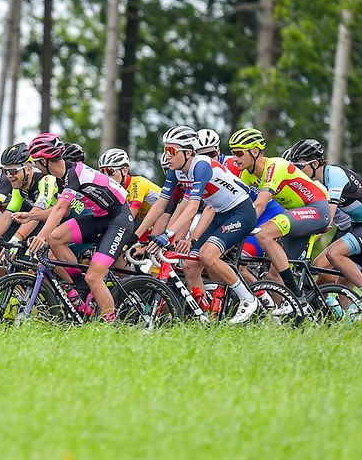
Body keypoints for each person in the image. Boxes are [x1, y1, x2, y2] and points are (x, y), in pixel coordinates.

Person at [145, 125, 260, 323]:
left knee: (207, 255)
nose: (167, 156)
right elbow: (161, 207)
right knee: (190, 264)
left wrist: (169, 234)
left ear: (188, 152)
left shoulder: (201, 166)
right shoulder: (176, 171)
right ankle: (204, 317)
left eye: (171, 150)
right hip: (221, 213)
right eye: (165, 150)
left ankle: (247, 299)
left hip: (242, 212)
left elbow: (192, 207)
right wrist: (136, 236)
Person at [27, 132, 135, 321]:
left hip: (119, 220)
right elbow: (64, 210)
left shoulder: (73, 173)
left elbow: (60, 209)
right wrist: (31, 216)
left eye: (36, 162)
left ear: (45, 160)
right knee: (55, 238)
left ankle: (113, 327)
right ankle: (81, 287)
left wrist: (40, 236)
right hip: (100, 218)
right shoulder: (61, 177)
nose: (36, 166)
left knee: (94, 276)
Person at [285, 138, 362, 312]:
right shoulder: (319, 182)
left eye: (299, 167)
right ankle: (350, 323)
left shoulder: (333, 174)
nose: (297, 172)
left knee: (334, 254)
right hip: (358, 225)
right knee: (332, 274)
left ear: (314, 164)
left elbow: (327, 217)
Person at [225, 127, 330, 298]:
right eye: (232, 153)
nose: (235, 158)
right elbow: (241, 206)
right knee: (274, 275)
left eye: (238, 153)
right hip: (298, 215)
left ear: (255, 151)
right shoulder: (247, 175)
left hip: (317, 209)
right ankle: (288, 312)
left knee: (263, 234)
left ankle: (296, 294)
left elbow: (259, 206)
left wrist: (237, 231)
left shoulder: (275, 166)